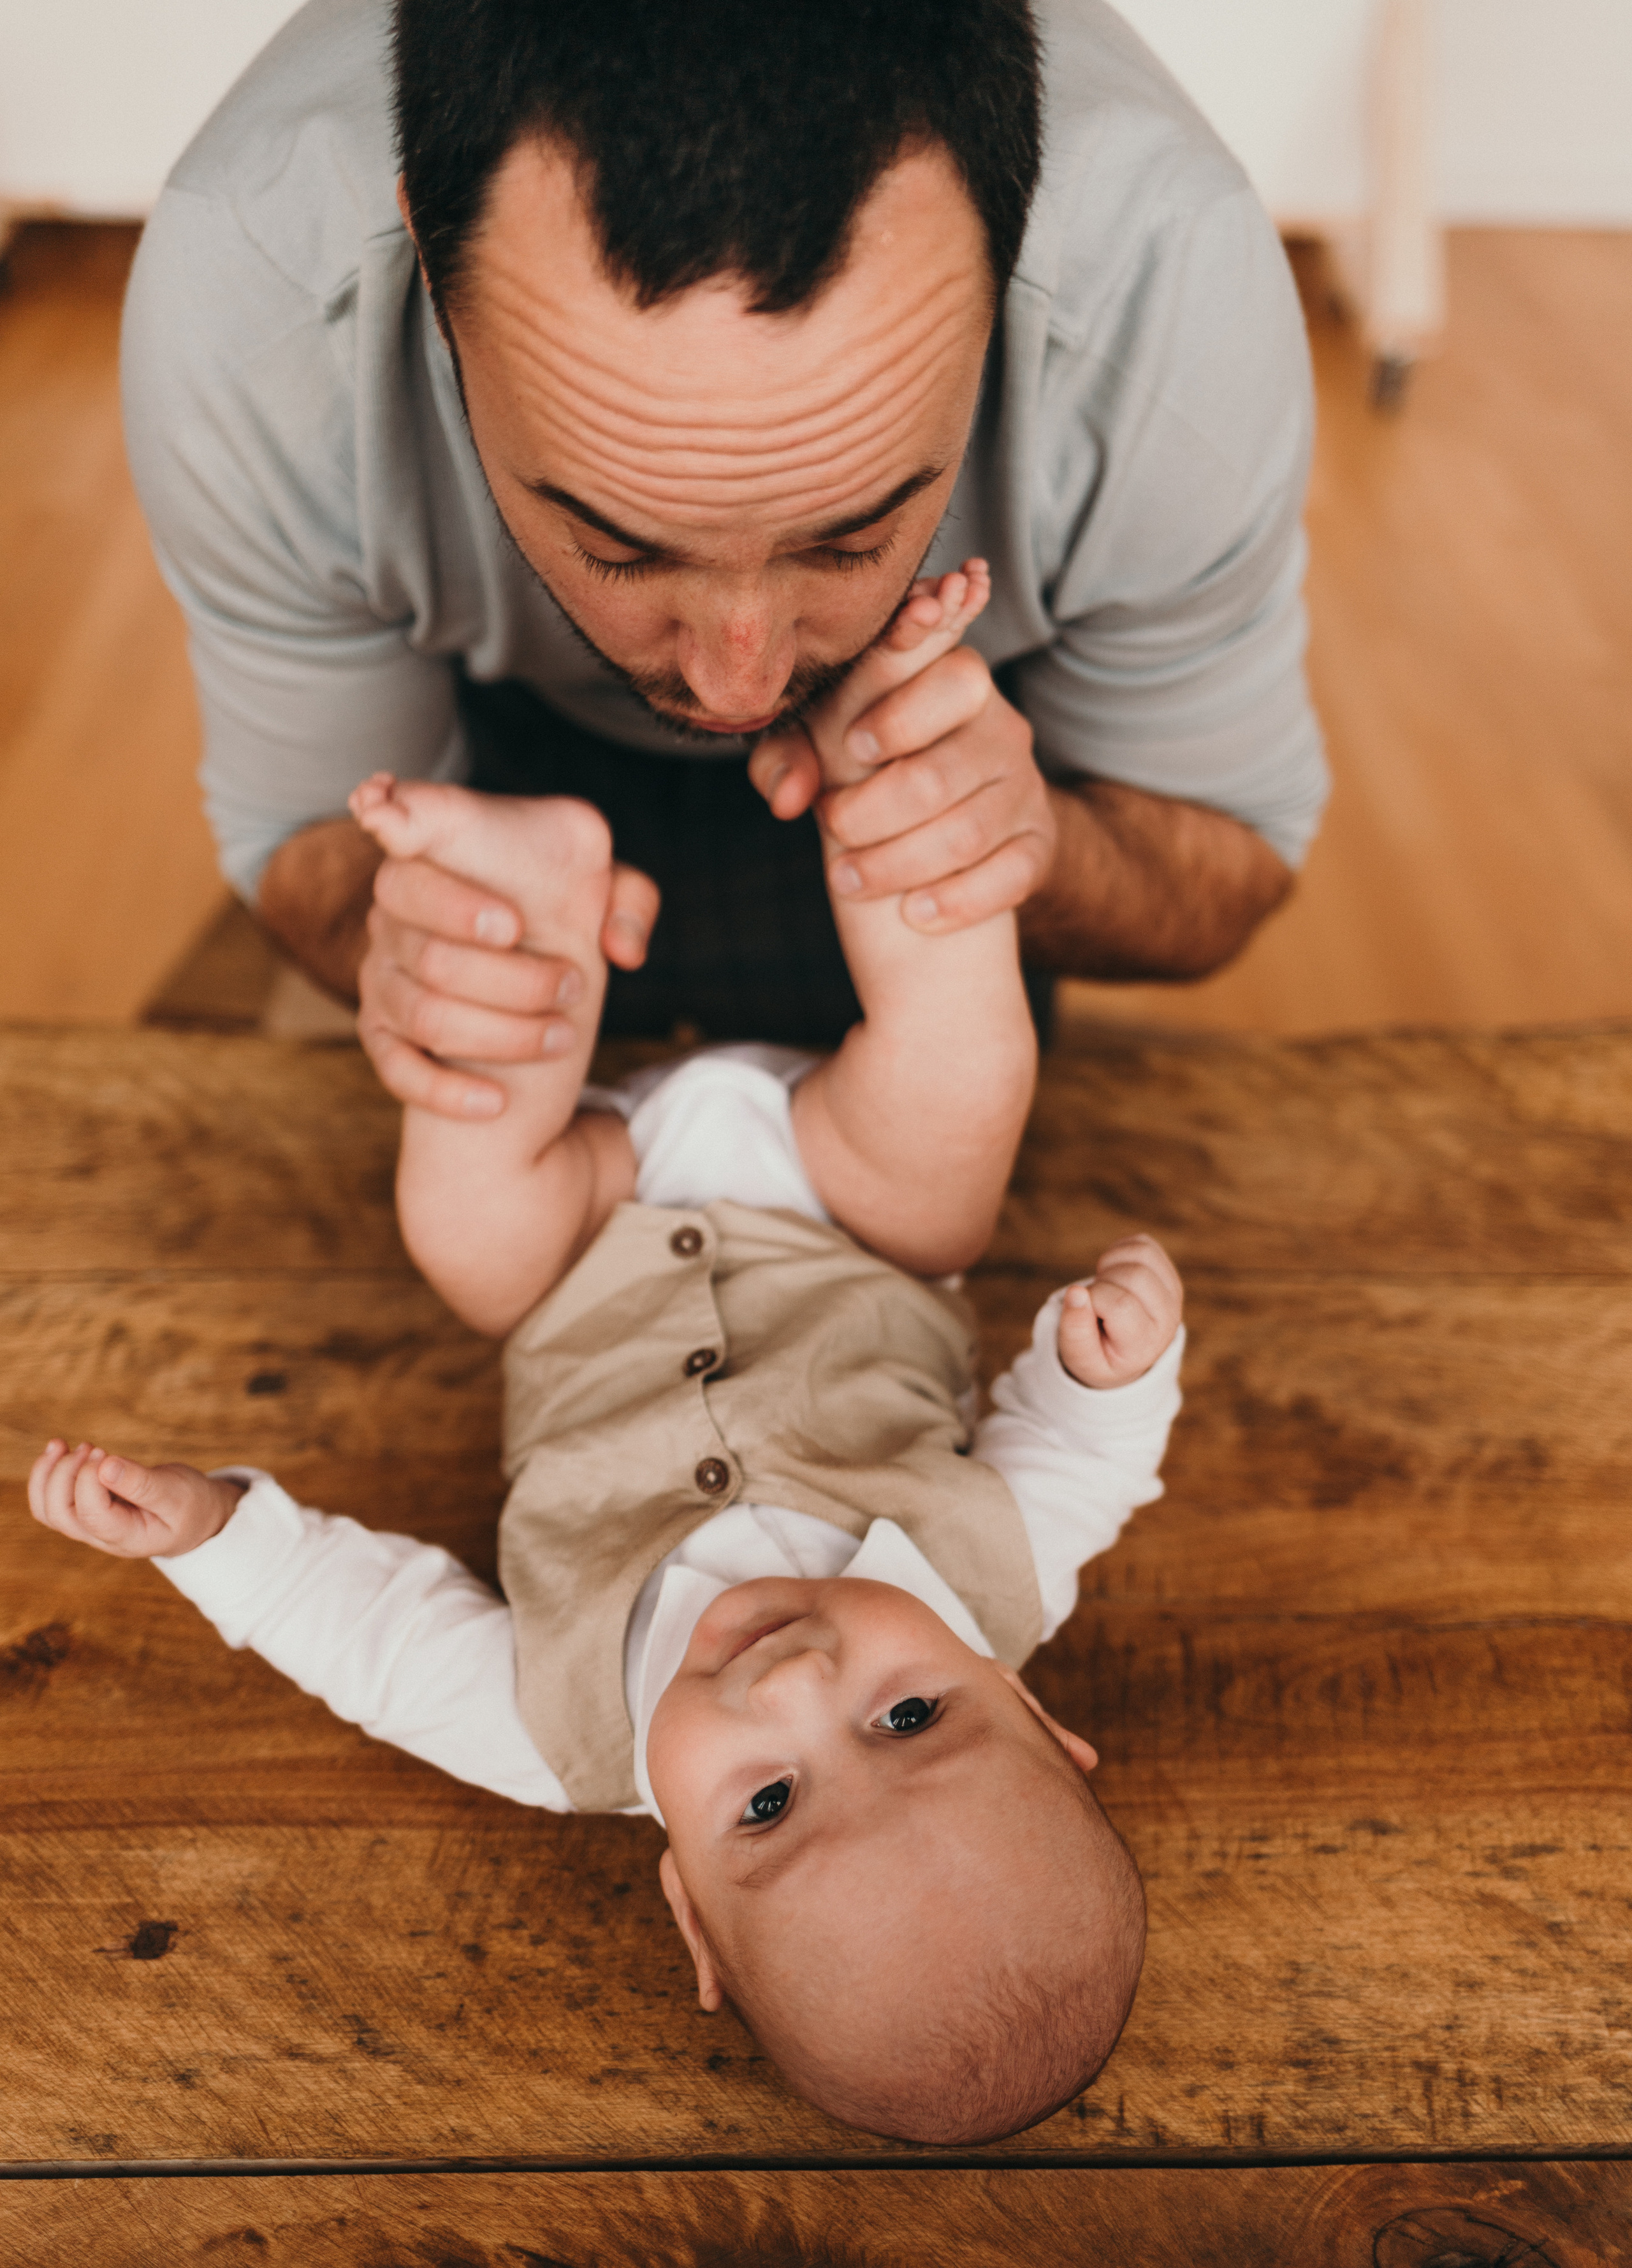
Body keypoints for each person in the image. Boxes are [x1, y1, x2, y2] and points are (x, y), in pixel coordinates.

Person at [29, 571, 1186, 2143]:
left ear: (687, 1900)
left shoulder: (554, 1735)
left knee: (468, 1228)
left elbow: (364, 1631)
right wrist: (1112, 1365)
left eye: (766, 1803)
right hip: (845, 1206)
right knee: (962, 1089)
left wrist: (211, 1535)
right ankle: (893, 767)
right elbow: (1083, 1463)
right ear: (1035, 1715)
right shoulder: (999, 1587)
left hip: (584, 1241)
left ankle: (530, 902)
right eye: (913, 1721)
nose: (797, 1685)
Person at [122, 0, 1325, 1113]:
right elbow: (306, 843)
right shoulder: (251, 297)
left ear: (1013, 259)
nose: (738, 689)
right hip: (493, 745)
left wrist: (1033, 849)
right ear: (435, 277)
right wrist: (414, 951)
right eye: (620, 548)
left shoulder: (1168, 286)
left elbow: (1219, 846)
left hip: (966, 752)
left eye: (855, 538)